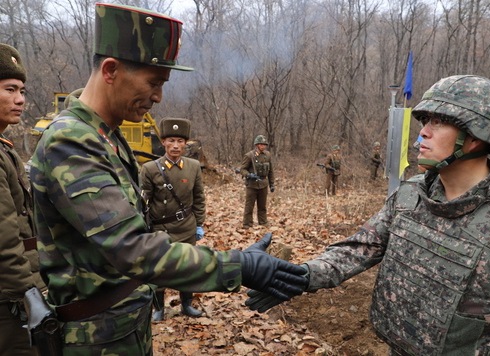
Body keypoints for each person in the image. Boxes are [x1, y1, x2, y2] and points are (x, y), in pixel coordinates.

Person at [29, 4, 307, 354]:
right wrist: (239, 265)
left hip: (122, 325)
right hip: (93, 337)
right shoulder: (70, 142)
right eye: (153, 82)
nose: (159, 96)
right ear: (111, 70)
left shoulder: (106, 136)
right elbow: (133, 249)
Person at [246, 75, 490, 354]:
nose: (423, 133)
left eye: (440, 122)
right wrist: (302, 275)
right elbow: (358, 248)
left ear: (479, 136)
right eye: (425, 121)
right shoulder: (411, 193)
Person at [0, 43, 44, 356]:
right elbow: (5, 241)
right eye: (10, 89)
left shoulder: (6, 149)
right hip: (11, 300)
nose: (20, 99)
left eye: (22, 90)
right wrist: (31, 294)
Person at [140, 118, 206, 321]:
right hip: (161, 229)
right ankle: (158, 308)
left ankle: (186, 305)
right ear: (163, 142)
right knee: (159, 270)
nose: (176, 146)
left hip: (186, 227)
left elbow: (199, 198)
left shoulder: (193, 166)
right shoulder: (150, 169)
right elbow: (143, 202)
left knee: (187, 268)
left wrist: (199, 224)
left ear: (186, 144)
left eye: (180, 141)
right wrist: (143, 228)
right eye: (171, 141)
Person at [240, 135, 275, 228]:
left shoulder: (267, 155)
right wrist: (248, 175)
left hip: (263, 183)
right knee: (249, 206)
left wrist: (272, 184)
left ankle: (263, 222)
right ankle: (247, 224)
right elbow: (242, 169)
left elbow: (270, 170)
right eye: (261, 144)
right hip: (252, 184)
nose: (263, 146)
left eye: (264, 144)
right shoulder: (249, 156)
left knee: (262, 206)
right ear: (257, 145)